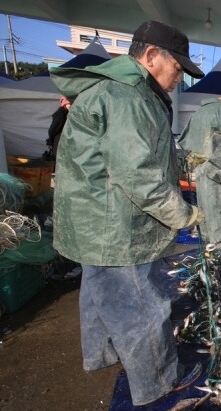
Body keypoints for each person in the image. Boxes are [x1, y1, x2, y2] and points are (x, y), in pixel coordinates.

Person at [49, 20, 206, 406]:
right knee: (142, 305)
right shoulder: (127, 95)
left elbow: (133, 150)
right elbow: (136, 173)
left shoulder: (116, 90)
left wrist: (183, 158)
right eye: (177, 69)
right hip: (115, 223)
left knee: (101, 291)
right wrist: (182, 214)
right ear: (152, 56)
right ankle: (160, 380)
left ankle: (103, 354)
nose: (179, 78)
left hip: (91, 221)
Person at [178, 86, 221, 246]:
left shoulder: (199, 112)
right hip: (217, 168)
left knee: (204, 204)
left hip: (200, 168)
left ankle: (207, 241)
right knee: (219, 206)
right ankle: (220, 245)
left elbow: (184, 140)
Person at [43, 96, 72, 160]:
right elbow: (52, 130)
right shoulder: (60, 114)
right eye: (68, 103)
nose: (70, 105)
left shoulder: (71, 113)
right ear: (64, 104)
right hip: (60, 141)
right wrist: (51, 140)